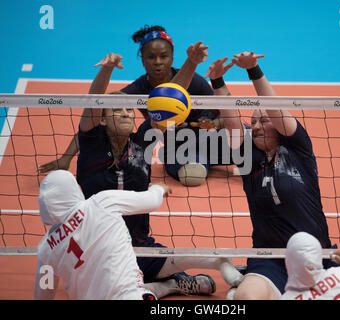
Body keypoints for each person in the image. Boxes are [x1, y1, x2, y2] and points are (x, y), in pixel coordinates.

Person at [38, 42, 244, 299]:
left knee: (176, 258)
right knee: (115, 287)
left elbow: (168, 99)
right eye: (117, 110)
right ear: (102, 119)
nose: (126, 114)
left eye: (128, 109)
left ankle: (196, 274)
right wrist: (107, 71)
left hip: (139, 246)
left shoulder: (142, 141)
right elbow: (92, 103)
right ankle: (173, 284)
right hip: (99, 248)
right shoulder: (92, 145)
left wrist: (191, 63)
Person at [205, 52, 339, 300]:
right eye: (253, 122)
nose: (255, 126)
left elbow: (276, 108)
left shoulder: (298, 149)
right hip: (270, 261)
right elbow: (233, 123)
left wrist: (253, 70)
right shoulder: (248, 158)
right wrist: (218, 82)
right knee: (246, 298)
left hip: (316, 257)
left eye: (263, 120)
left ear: (277, 126)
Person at [39, 25, 224, 187]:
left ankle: (211, 157)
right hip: (177, 146)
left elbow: (224, 115)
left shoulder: (196, 83)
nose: (158, 62)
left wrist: (215, 124)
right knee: (193, 176)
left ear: (172, 58)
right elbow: (94, 118)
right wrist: (66, 157)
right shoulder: (138, 89)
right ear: (142, 59)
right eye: (151, 57)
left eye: (163, 56)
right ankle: (200, 161)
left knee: (245, 141)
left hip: (209, 140)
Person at [33, 169, 170, 300]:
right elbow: (152, 201)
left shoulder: (46, 249)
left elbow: (43, 295)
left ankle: (172, 286)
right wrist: (159, 188)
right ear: (71, 191)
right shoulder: (102, 202)